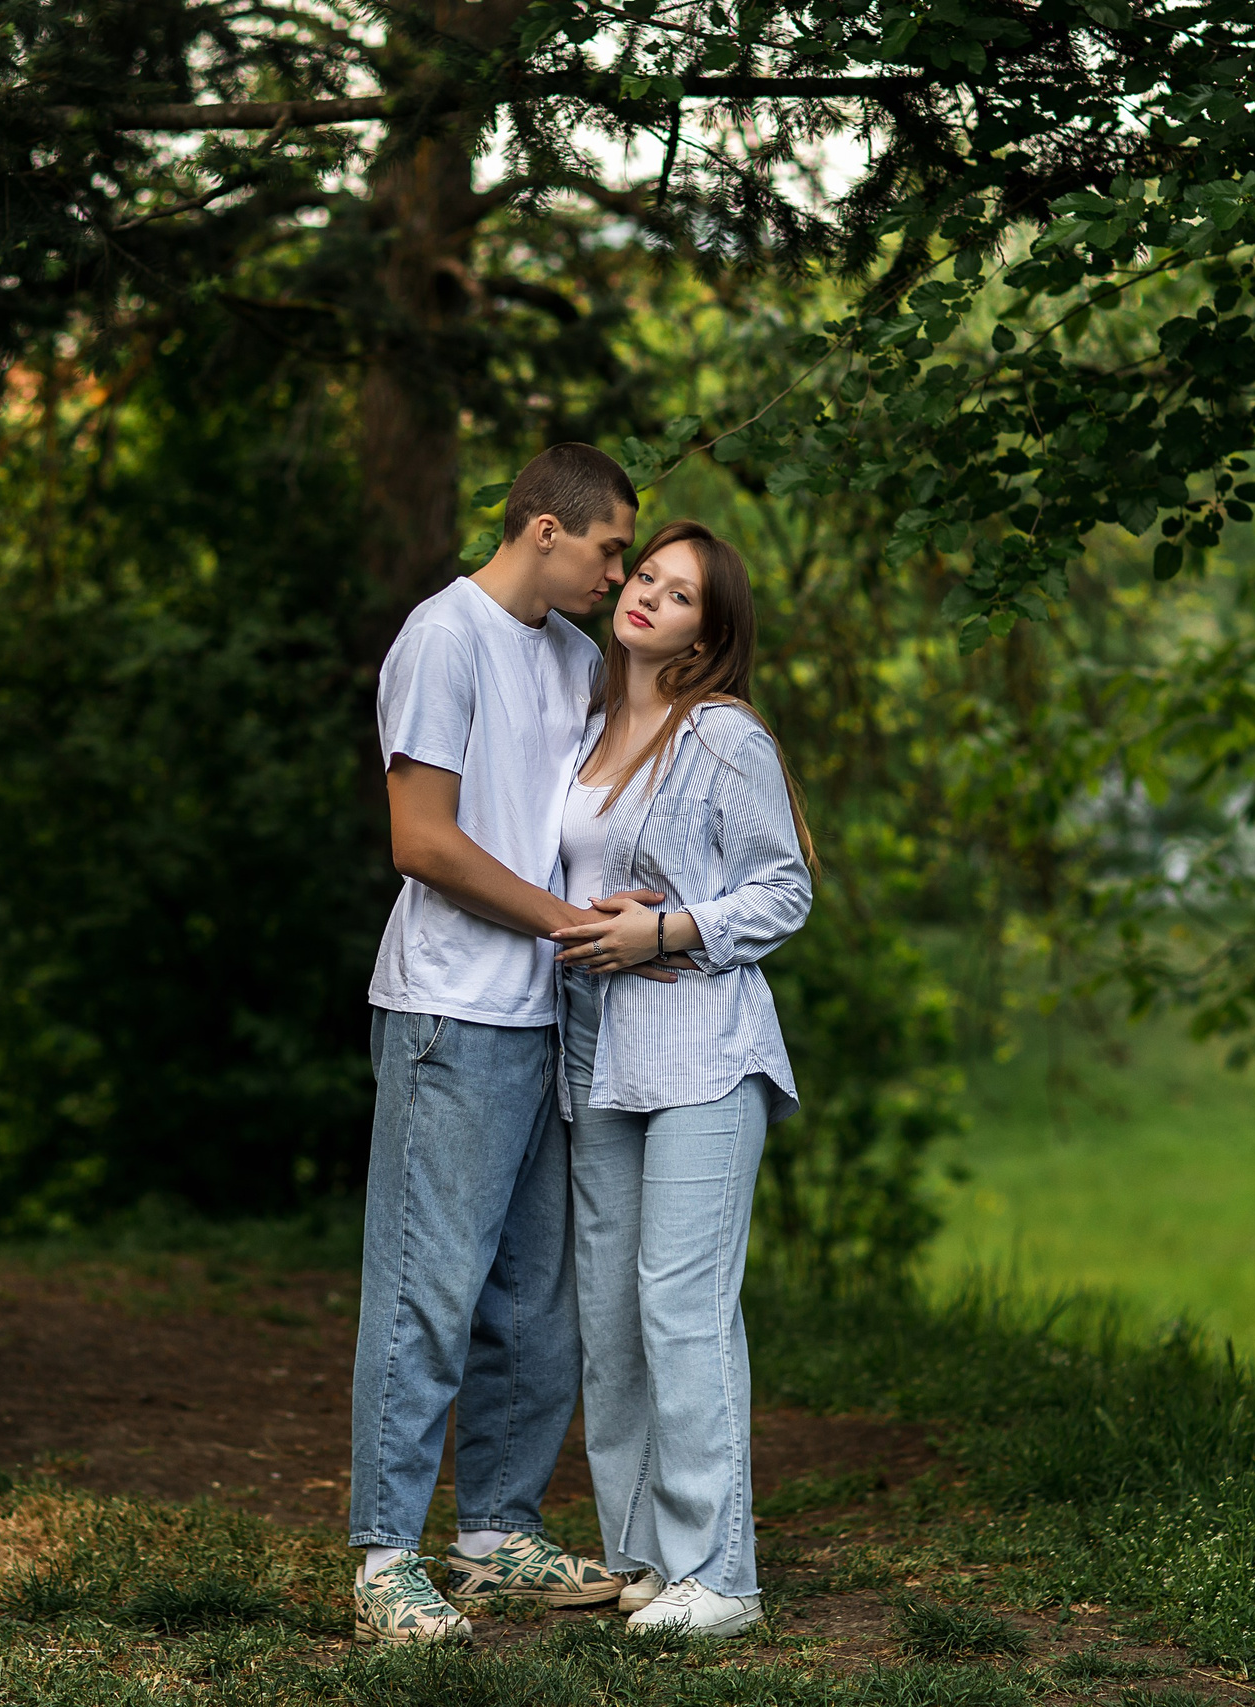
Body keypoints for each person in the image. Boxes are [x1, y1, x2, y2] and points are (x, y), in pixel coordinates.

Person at [348, 443, 672, 1645]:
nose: (617, 572)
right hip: (452, 1009)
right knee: (425, 1289)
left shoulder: (578, 656)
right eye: (605, 549)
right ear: (543, 529)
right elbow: (420, 840)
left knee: (536, 1301)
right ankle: (385, 1555)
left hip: (553, 1015)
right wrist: (566, 926)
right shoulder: (444, 638)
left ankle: (493, 1538)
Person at [548, 518, 817, 1640]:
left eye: (683, 594)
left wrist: (665, 930)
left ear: (712, 631)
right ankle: (648, 1557)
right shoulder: (591, 726)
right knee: (608, 1317)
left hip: (705, 1052)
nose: (650, 597)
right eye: (645, 575)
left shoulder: (720, 736)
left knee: (681, 1303)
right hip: (600, 1058)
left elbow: (784, 888)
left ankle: (725, 1577)